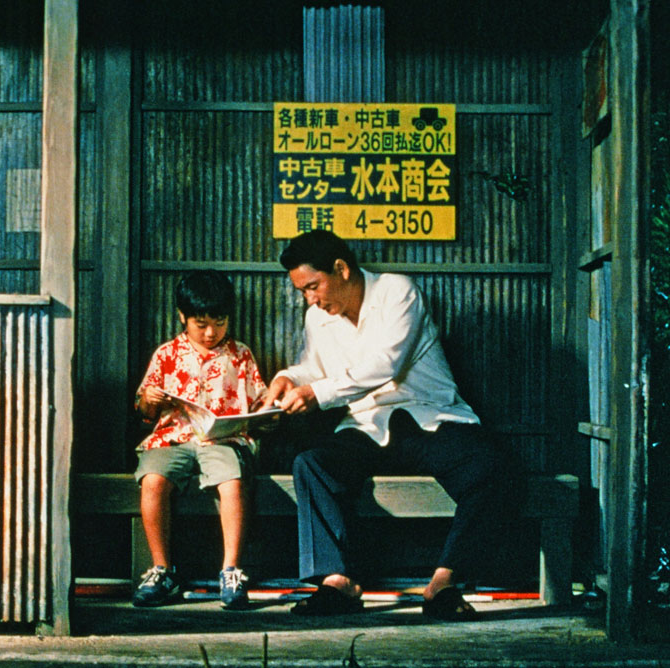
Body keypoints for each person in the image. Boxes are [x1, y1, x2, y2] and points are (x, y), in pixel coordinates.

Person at [258, 230, 510, 621]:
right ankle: (337, 581)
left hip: (428, 417)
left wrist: (317, 394)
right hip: (366, 425)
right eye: (303, 291)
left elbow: (385, 365)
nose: (310, 298)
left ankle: (445, 582)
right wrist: (290, 378)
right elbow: (314, 368)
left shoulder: (396, 291)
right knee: (312, 465)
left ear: (340, 269)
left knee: (491, 467)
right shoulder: (317, 317)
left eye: (313, 286)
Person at [132, 270, 267, 610]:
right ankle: (161, 569)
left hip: (223, 440)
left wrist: (269, 413)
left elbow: (260, 402)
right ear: (182, 317)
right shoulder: (167, 354)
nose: (211, 333)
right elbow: (145, 410)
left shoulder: (240, 354)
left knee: (233, 482)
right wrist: (151, 398)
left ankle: (232, 570)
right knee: (152, 480)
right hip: (172, 438)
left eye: (219, 323)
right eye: (201, 323)